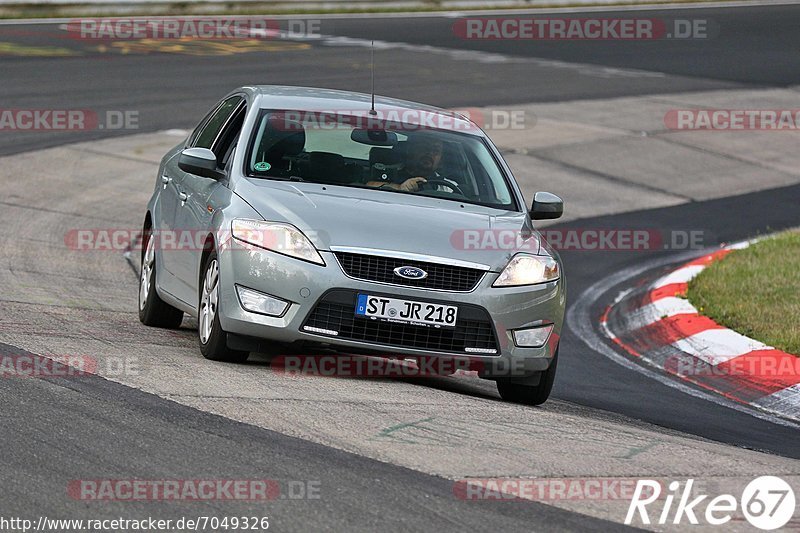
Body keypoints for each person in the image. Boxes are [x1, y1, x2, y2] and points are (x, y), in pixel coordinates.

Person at [365, 134, 446, 192]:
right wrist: (399, 188)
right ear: (409, 150)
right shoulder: (390, 170)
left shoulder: (447, 186)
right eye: (425, 147)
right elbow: (369, 186)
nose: (430, 153)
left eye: (436, 150)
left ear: (441, 160)